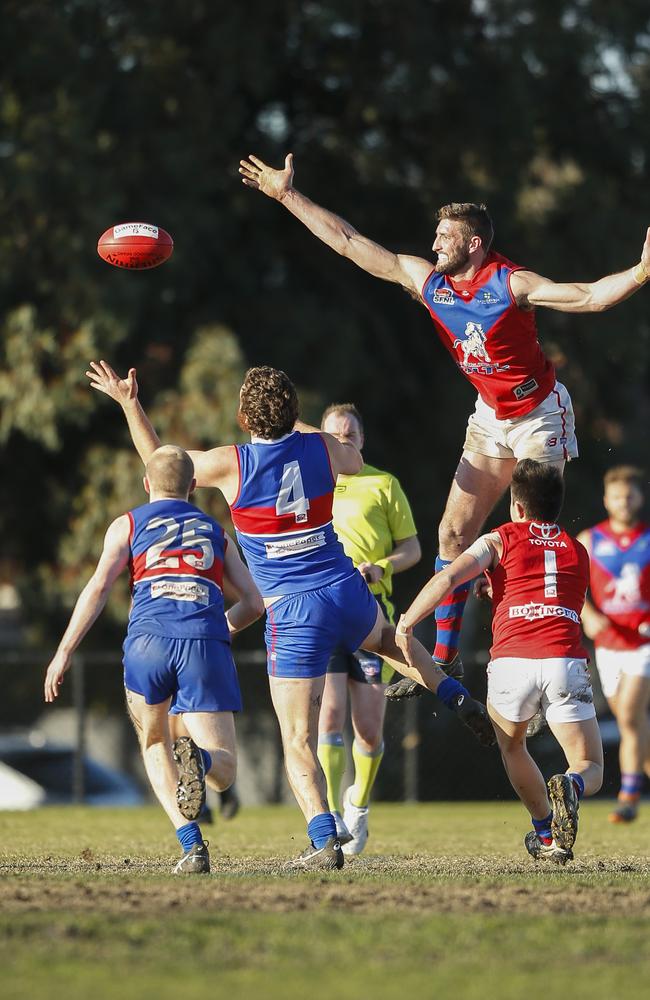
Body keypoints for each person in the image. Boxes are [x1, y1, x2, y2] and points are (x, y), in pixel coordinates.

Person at [239, 151, 650, 689]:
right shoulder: (429, 283)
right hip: (489, 415)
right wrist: (287, 195)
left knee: (524, 536)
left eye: (444, 238)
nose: (433, 246)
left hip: (538, 415)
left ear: (474, 243)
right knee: (452, 535)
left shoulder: (512, 284)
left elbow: (591, 297)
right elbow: (349, 242)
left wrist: (643, 271)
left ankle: (534, 653)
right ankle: (446, 658)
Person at [86, 361, 494, 870]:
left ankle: (324, 840)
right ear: (297, 414)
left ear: (241, 415)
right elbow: (348, 456)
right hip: (343, 587)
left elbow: (162, 461)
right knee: (390, 641)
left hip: (292, 610)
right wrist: (300, 425)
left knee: (298, 740)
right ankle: (456, 695)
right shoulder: (321, 447)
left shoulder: (230, 463)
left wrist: (129, 402)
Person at [44, 445, 264, 875]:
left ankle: (192, 846)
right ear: (193, 486)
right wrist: (220, 627)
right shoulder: (216, 532)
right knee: (226, 768)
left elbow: (98, 587)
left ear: (147, 484)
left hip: (148, 642)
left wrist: (64, 651)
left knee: (155, 741)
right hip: (204, 643)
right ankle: (200, 763)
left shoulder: (126, 524)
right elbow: (255, 604)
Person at [394, 459, 603, 864]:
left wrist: (408, 622)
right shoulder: (577, 549)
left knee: (512, 747)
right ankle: (572, 787)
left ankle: (546, 833)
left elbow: (449, 577)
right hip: (563, 659)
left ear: (517, 507)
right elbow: (556, 600)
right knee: (588, 761)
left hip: (511, 663)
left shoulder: (500, 538)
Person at [317, 402, 421, 854]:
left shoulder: (383, 484)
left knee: (369, 729)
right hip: (323, 614)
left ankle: (357, 804)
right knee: (329, 715)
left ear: (362, 440)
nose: (343, 442)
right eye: (334, 436)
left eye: (350, 436)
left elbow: (413, 549)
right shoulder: (310, 482)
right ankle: (331, 811)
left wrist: (380, 567)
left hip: (373, 613)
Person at [577, 466, 650, 823]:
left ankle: (629, 797)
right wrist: (588, 614)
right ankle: (638, 780)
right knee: (630, 722)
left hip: (644, 645)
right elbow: (574, 588)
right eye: (618, 496)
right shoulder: (590, 540)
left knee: (632, 716)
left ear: (640, 498)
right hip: (608, 646)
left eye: (631, 495)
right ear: (607, 500)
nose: (624, 501)